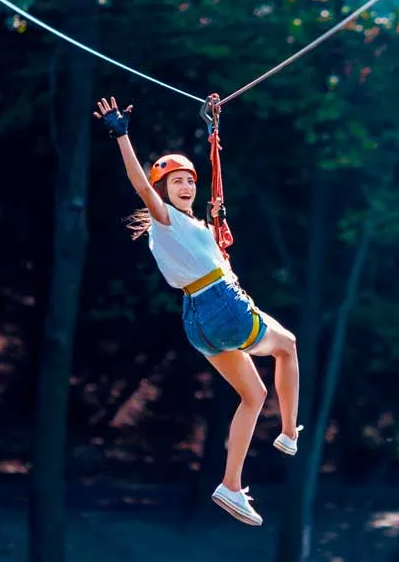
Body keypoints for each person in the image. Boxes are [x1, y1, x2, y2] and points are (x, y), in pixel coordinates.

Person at [92, 96, 302, 526]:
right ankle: (288, 433)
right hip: (220, 306)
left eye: (189, 180)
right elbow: (139, 183)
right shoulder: (165, 219)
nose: (186, 186)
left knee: (254, 395)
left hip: (197, 321)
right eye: (176, 183)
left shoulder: (198, 227)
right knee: (289, 346)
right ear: (164, 192)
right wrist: (122, 136)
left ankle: (230, 486)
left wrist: (213, 133)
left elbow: (212, 247)